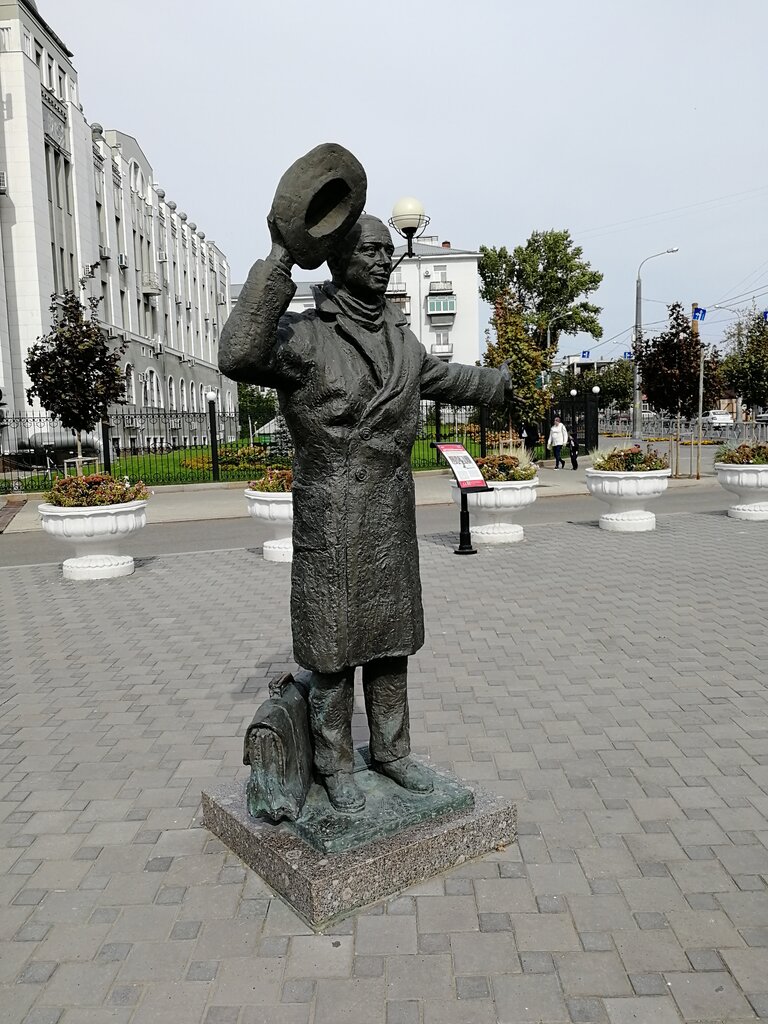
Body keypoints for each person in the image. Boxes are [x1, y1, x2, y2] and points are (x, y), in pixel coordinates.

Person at [219, 213, 515, 813]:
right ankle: (334, 764)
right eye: (371, 250)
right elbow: (238, 352)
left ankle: (393, 751)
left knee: (390, 640)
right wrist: (281, 255)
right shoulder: (307, 334)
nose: (384, 260)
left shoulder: (402, 340)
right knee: (333, 652)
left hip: (388, 512)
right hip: (332, 512)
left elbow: (447, 377)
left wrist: (498, 384)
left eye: (388, 251)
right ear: (338, 258)